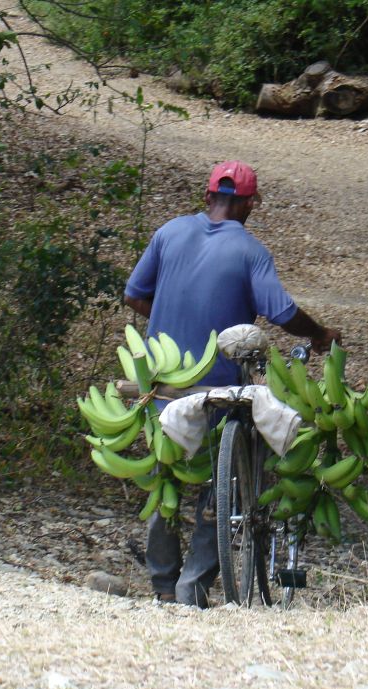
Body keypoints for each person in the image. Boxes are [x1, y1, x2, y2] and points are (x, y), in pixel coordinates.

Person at [123, 160, 342, 606]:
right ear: (250, 204)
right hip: (220, 389)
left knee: (166, 476)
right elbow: (281, 313)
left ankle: (163, 584)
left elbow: (134, 294)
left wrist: (169, 319)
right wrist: (319, 335)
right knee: (219, 488)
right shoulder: (251, 251)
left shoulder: (168, 233)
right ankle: (194, 585)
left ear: (207, 196)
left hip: (162, 381)